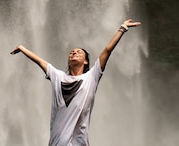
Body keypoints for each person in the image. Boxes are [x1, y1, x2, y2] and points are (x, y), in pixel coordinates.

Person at [11, 19, 141, 146]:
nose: (74, 52)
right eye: (71, 52)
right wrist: (22, 48)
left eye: (79, 52)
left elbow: (107, 50)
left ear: (85, 62)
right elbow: (40, 61)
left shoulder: (92, 77)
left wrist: (122, 29)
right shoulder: (58, 76)